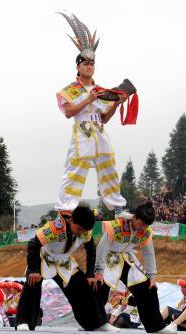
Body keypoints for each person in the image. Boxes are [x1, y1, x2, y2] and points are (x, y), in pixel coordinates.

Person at [55, 13, 129, 218]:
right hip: (82, 131)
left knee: (109, 167)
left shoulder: (101, 90)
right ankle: (66, 209)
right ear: (78, 67)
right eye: (85, 63)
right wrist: (87, 100)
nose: (89, 66)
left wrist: (116, 104)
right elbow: (68, 112)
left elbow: (105, 117)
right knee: (76, 169)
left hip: (100, 131)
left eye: (92, 63)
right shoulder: (71, 90)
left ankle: (118, 209)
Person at [15, 206, 114, 331]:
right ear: (71, 220)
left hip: (64, 261)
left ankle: (97, 323)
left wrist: (90, 274)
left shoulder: (85, 230)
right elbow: (33, 244)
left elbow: (91, 250)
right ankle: (24, 322)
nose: (80, 233)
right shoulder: (55, 227)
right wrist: (33, 270)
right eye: (78, 229)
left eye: (84, 230)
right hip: (44, 257)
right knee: (32, 283)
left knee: (85, 285)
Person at [95, 202, 173, 333]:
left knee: (148, 288)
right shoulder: (116, 226)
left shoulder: (145, 232)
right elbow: (102, 249)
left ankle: (156, 326)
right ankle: (96, 323)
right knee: (99, 287)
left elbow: (148, 253)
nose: (143, 228)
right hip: (108, 258)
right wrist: (98, 271)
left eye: (147, 225)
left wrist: (152, 277)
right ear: (134, 217)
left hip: (127, 258)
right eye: (142, 224)